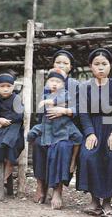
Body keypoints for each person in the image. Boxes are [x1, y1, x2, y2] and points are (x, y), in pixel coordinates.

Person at [77, 48, 112, 217]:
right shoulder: (85, 87)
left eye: (104, 64)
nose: (100, 68)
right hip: (93, 127)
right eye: (96, 64)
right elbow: (83, 113)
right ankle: (94, 200)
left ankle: (107, 201)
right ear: (90, 66)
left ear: (110, 66)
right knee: (88, 156)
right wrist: (89, 133)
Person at [28, 68, 83, 209]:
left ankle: (57, 190)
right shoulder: (44, 95)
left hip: (64, 129)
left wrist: (57, 106)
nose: (54, 84)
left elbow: (72, 106)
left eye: (58, 82)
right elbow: (40, 115)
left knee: (63, 146)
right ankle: (41, 185)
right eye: (51, 81)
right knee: (38, 143)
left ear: (63, 84)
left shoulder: (66, 95)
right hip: (47, 129)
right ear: (47, 83)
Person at [0, 72, 24, 187]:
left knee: (12, 143)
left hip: (14, 127)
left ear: (13, 87)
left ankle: (7, 173)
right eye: (2, 86)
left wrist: (6, 120)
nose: (6, 89)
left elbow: (19, 115)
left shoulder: (16, 98)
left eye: (8, 86)